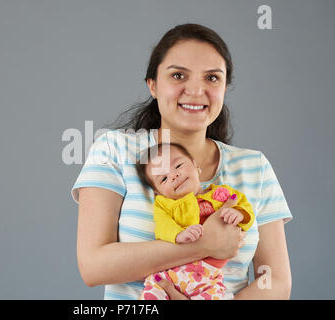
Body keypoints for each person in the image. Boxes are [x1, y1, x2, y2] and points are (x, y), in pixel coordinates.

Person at [72, 23, 292, 300]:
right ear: (152, 85)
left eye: (212, 78)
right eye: (178, 75)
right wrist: (204, 244)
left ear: (225, 88)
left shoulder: (254, 167)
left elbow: (276, 282)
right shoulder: (114, 150)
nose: (197, 91)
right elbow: (93, 266)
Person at [136, 142, 255, 300]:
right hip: (172, 273)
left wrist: (239, 213)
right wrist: (179, 234)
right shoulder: (165, 205)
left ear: (196, 165)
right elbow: (163, 225)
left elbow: (245, 207)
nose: (173, 175)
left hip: (208, 277)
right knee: (152, 293)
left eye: (178, 165)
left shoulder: (222, 193)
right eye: (163, 178)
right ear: (159, 192)